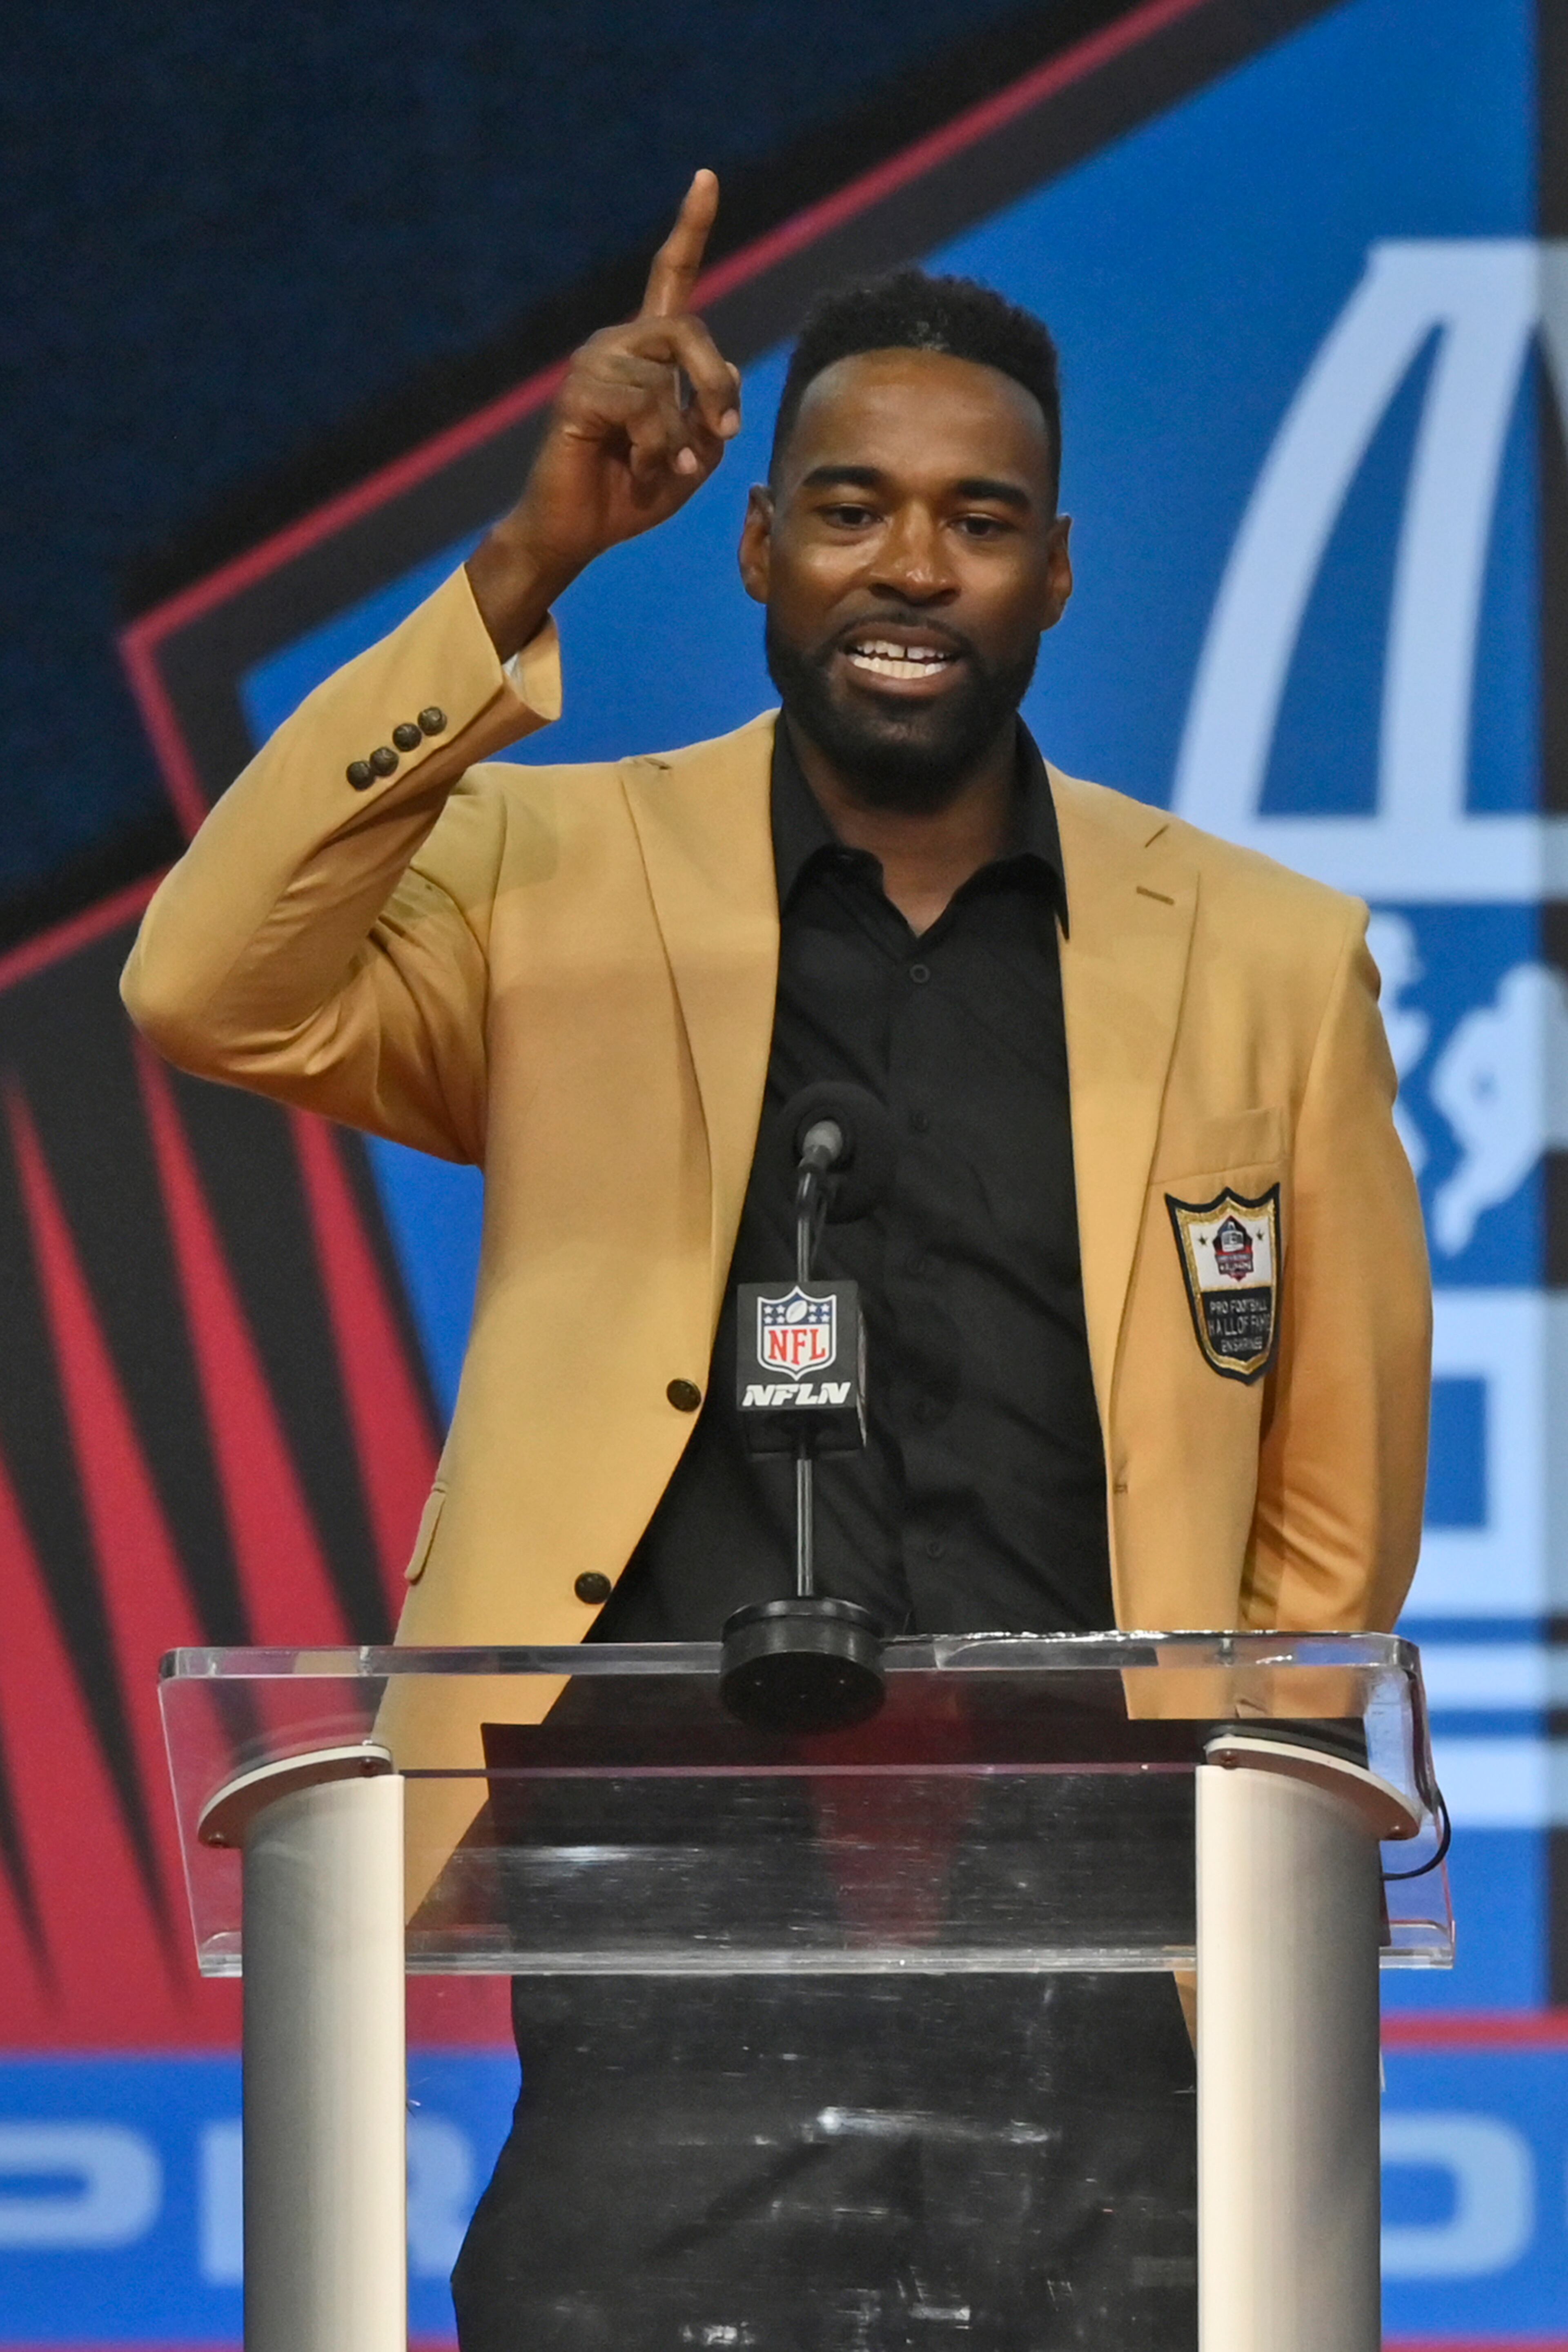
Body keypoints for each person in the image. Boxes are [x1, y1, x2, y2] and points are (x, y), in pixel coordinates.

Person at [122, 171, 1430, 2350]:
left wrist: (1239, 1896)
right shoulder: (559, 880)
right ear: (752, 545)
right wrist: (525, 565)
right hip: (666, 1955)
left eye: (978, 518)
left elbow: (1334, 1508)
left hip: (1103, 1986)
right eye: (847, 505)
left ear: (1057, 575)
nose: (911, 564)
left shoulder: (1273, 964)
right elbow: (206, 984)